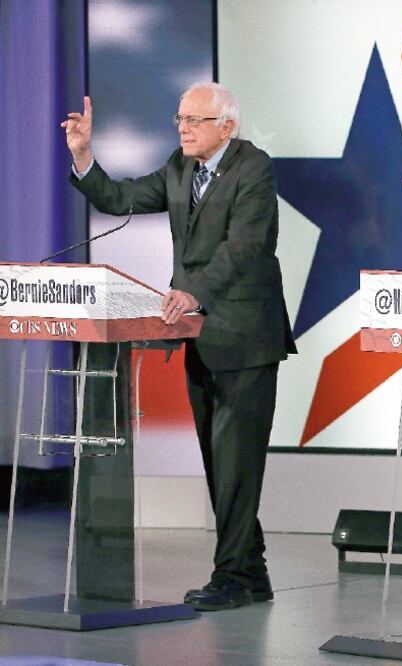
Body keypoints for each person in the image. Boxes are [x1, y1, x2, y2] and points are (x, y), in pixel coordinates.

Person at [61, 83, 296, 611]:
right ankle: (250, 572)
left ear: (226, 126)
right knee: (220, 463)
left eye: (194, 120)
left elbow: (244, 246)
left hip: (246, 339)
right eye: (180, 119)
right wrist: (83, 155)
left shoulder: (253, 168)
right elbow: (118, 198)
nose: (183, 128)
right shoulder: (179, 167)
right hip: (200, 336)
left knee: (236, 465)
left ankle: (232, 577)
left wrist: (194, 292)